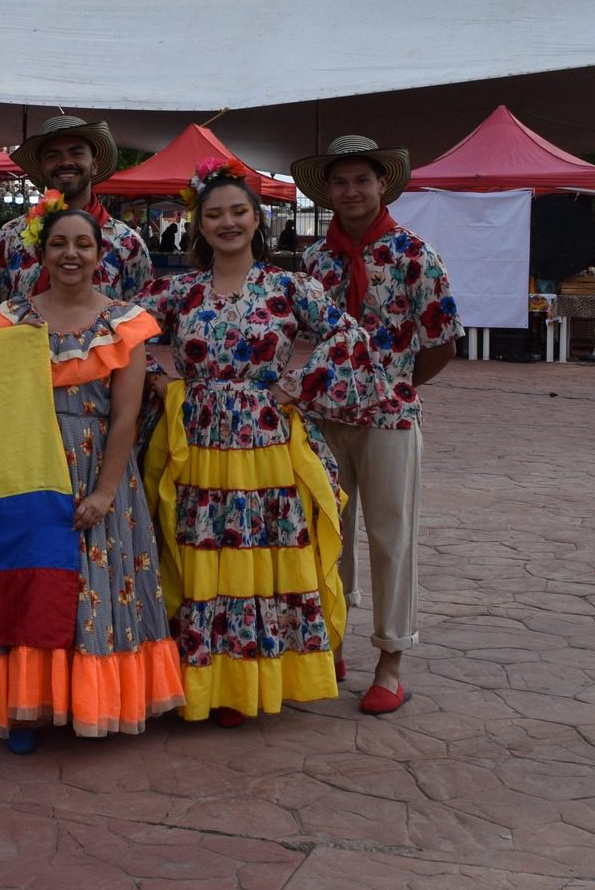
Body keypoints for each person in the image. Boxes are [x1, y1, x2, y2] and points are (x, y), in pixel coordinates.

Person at [137, 163, 386, 727]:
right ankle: (207, 682)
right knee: (205, 558)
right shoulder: (179, 289)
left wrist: (297, 385)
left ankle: (250, 681)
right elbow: (122, 330)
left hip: (265, 441)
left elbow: (349, 334)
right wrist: (160, 379)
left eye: (238, 212)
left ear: (258, 220)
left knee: (258, 559)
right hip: (196, 440)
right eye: (214, 214)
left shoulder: (287, 286)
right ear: (198, 225)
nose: (227, 222)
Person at [0, 193, 183, 752]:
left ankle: (90, 703)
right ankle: (25, 705)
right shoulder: (9, 319)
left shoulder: (125, 323)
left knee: (94, 587)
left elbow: (126, 415)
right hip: (28, 465)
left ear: (101, 254)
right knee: (29, 584)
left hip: (100, 467)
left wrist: (104, 490)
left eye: (83, 244)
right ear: (41, 254)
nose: (70, 254)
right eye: (59, 244)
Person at [293, 135, 461, 716]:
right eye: (340, 183)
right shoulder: (315, 262)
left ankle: (391, 660)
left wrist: (394, 385)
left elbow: (441, 340)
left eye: (362, 180)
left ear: (382, 184)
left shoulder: (416, 254)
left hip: (390, 417)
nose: (351, 191)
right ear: (328, 192)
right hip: (325, 419)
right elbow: (302, 335)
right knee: (328, 535)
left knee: (392, 538)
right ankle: (332, 639)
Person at [0, 115, 153, 302]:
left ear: (94, 166)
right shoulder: (11, 236)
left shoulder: (127, 242)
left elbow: (140, 318)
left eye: (76, 153)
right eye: (53, 155)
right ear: (41, 169)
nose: (65, 162)